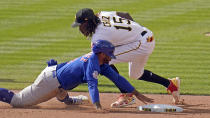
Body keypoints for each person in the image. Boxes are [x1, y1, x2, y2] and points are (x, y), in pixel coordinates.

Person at [71, 8, 182, 107]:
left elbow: (99, 59)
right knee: (135, 74)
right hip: (146, 35)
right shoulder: (102, 14)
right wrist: (133, 30)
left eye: (80, 25)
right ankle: (171, 84)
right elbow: (125, 14)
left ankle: (127, 95)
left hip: (141, 44)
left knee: (104, 61)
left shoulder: (98, 36)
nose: (80, 28)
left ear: (88, 22)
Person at [0, 40, 153, 110]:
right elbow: (92, 84)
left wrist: (137, 93)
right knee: (17, 102)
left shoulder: (101, 62)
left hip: (56, 78)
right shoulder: (93, 63)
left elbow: (117, 78)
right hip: (50, 83)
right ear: (101, 53)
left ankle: (68, 99)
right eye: (108, 55)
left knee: (62, 91)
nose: (110, 58)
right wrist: (97, 105)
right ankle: (67, 98)